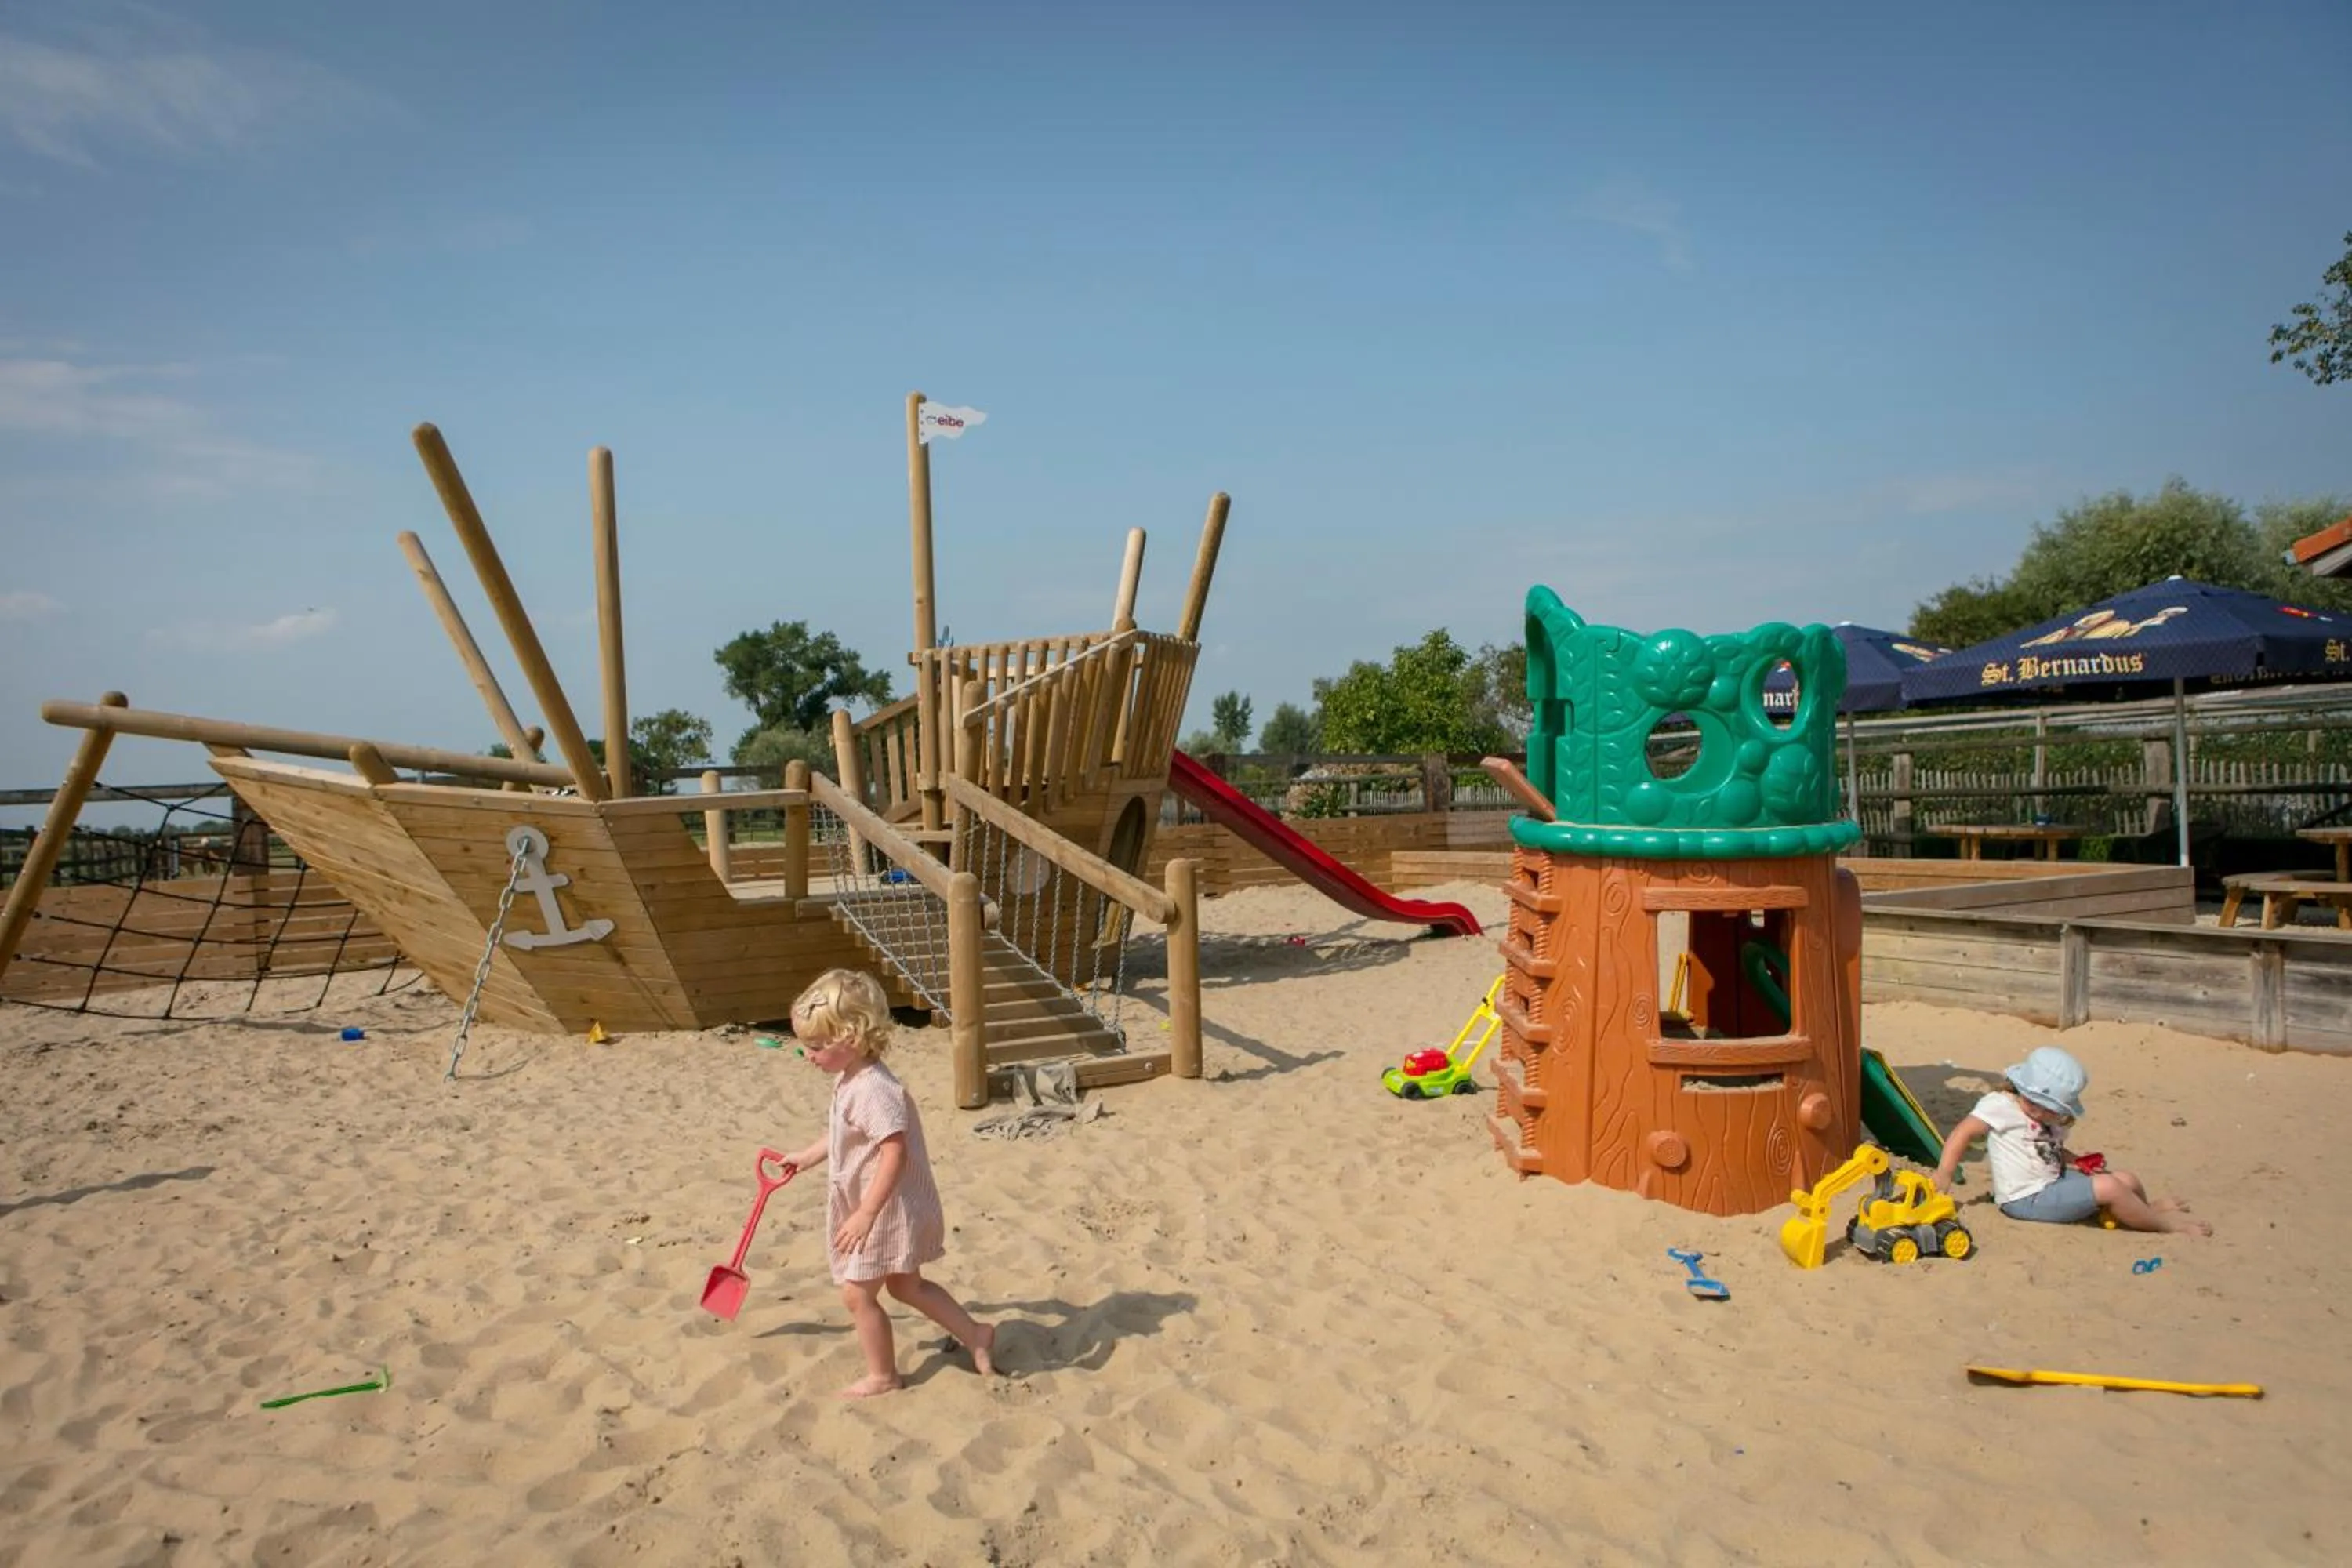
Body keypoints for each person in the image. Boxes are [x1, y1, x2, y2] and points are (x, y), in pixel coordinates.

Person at [775, 968, 997, 1397]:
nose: (809, 1055)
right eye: (806, 1045)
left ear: (853, 1039)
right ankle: (976, 1334)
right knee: (904, 1284)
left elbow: (895, 1152)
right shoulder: (851, 1078)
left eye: (818, 1046)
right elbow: (844, 1131)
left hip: (886, 1208)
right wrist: (805, 1157)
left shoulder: (875, 1089)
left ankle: (884, 1376)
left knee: (857, 1295)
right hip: (881, 1204)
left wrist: (865, 1214)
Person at [1929, 1045, 2211, 1236]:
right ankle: (2165, 1226)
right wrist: (1945, 1171)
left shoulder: (2050, 1119)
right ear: (2020, 1088)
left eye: (2048, 1108)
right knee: (2110, 1187)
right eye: (2033, 1102)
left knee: (2126, 1179)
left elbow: (2049, 1150)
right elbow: (1962, 1133)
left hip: (2053, 1182)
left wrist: (2076, 1162)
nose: (2039, 1113)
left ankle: (2144, 1210)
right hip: (2026, 1198)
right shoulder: (2000, 1106)